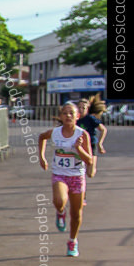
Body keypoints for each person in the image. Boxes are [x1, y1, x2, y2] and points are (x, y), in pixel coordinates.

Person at [37, 102, 93, 257]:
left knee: (76, 213)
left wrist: (79, 148)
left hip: (77, 176)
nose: (68, 116)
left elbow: (89, 160)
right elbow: (42, 137)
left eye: (71, 113)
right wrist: (41, 157)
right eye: (65, 113)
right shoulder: (55, 132)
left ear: (77, 116)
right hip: (60, 174)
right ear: (61, 116)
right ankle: (60, 212)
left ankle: (72, 241)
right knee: (59, 200)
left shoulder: (82, 134)